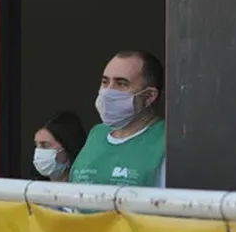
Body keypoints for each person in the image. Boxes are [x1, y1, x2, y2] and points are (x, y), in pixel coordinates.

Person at [70, 50, 166, 188]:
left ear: (149, 95)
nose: (108, 91)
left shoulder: (165, 141)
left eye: (121, 84)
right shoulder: (96, 134)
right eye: (105, 82)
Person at [32, 110, 86, 182]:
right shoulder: (33, 189)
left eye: (45, 145)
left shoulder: (86, 188)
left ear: (67, 149)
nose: (38, 152)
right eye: (36, 145)